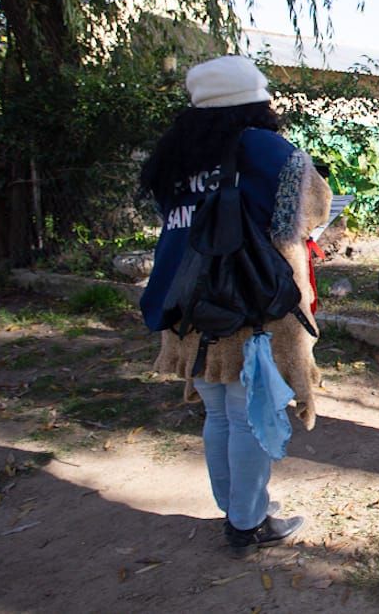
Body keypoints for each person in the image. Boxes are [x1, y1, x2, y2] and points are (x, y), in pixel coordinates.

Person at [138, 55, 332, 556]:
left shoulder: (174, 153)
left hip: (185, 303)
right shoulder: (268, 150)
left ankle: (236, 510)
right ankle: (249, 523)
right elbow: (308, 212)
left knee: (219, 414)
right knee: (248, 415)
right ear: (255, 102)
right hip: (248, 304)